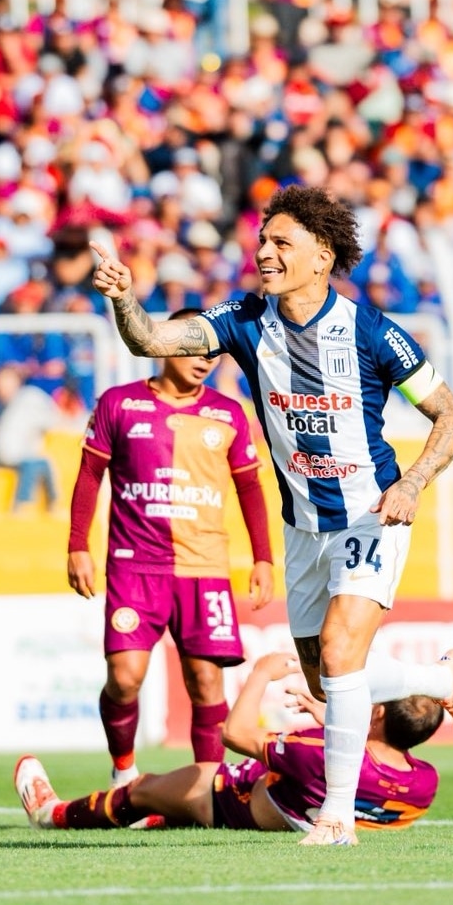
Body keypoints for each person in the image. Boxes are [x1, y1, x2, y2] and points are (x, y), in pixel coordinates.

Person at [88, 184, 453, 847]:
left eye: (280, 243)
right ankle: (442, 679)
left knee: (338, 652)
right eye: (262, 241)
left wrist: (412, 482)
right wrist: (124, 296)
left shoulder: (371, 331)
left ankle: (334, 816)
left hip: (370, 515)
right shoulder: (244, 319)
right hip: (303, 527)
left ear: (322, 256)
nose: (264, 253)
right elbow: (151, 338)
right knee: (330, 679)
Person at [67, 308, 275, 788]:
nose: (205, 360)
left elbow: (250, 490)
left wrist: (263, 557)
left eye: (213, 352)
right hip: (134, 566)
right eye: (193, 349)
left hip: (205, 569)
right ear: (162, 345)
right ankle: (124, 774)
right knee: (125, 677)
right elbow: (88, 476)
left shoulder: (228, 414)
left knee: (206, 683)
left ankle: (207, 788)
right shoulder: (119, 404)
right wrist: (78, 545)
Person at [14, 651, 443, 834]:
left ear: (379, 714)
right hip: (293, 802)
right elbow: (365, 768)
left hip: (231, 799)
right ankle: (166, 813)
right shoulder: (425, 783)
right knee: (163, 803)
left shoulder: (318, 753)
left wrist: (260, 673)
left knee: (142, 788)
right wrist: (332, 719)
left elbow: (235, 735)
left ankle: (50, 814)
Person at [0, 365, 60, 513]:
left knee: (40, 463)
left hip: (15, 454)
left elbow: (50, 419)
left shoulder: (28, 399)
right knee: (37, 463)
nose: (3, 386)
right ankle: (24, 504)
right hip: (6, 455)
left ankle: (49, 504)